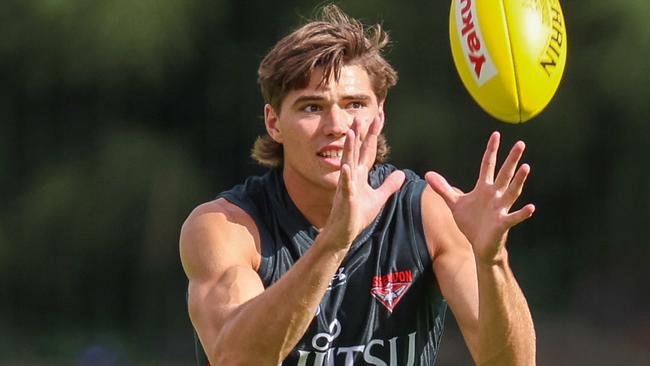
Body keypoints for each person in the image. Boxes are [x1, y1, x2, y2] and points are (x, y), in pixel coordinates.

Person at [179, 4, 536, 365]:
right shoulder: (227, 229)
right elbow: (236, 361)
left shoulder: (427, 214)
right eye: (311, 107)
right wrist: (334, 241)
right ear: (274, 123)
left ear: (378, 116)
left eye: (354, 104)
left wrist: (492, 260)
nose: (337, 126)